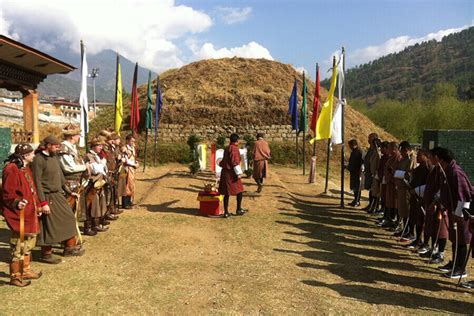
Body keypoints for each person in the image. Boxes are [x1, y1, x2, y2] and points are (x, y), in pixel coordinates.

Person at [32, 135, 85, 264]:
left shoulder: (54, 157)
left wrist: (70, 192)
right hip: (47, 196)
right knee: (48, 225)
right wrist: (43, 203)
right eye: (55, 146)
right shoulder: (39, 160)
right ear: (48, 145)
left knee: (69, 218)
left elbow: (61, 178)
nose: (57, 148)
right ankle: (46, 254)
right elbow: (37, 182)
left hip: (58, 195)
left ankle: (69, 248)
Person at [2, 143, 42, 287]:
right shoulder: (11, 169)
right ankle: (15, 276)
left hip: (30, 212)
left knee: (29, 242)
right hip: (19, 214)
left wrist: (37, 205)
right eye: (32, 153)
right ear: (25, 155)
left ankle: (25, 270)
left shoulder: (25, 168)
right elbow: (8, 194)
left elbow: (32, 189)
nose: (34, 156)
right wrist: (16, 202)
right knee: (18, 245)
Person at [435, 148, 473, 278]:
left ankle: (461, 268)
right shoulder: (447, 171)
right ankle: (454, 263)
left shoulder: (456, 173)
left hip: (461, 212)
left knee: (461, 239)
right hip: (453, 211)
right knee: (455, 238)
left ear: (441, 159)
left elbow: (464, 195)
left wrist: (458, 214)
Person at [57, 124, 92, 235]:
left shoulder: (72, 147)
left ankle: (71, 238)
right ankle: (67, 240)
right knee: (68, 212)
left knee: (74, 211)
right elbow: (68, 167)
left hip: (76, 183)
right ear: (72, 136)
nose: (79, 137)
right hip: (68, 184)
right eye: (78, 135)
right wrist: (84, 167)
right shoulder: (64, 148)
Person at [84, 137, 109, 233]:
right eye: (99, 145)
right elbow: (95, 169)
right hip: (92, 184)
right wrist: (102, 164)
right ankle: (89, 227)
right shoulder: (89, 156)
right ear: (94, 146)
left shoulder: (97, 156)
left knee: (98, 203)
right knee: (91, 205)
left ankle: (96, 224)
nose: (101, 148)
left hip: (99, 182)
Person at [218, 133, 247, 218]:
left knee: (226, 193)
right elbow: (234, 162)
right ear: (237, 141)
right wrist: (238, 173)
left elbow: (224, 160)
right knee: (240, 190)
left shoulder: (227, 148)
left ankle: (226, 212)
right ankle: (238, 209)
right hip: (231, 173)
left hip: (225, 172)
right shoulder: (234, 149)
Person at [102, 131, 123, 218]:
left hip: (113, 171)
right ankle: (107, 212)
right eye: (110, 139)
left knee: (112, 192)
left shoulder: (111, 148)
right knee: (108, 193)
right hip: (108, 172)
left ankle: (111, 209)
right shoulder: (105, 148)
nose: (112, 141)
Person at [118, 134, 138, 209]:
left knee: (131, 185)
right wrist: (133, 164)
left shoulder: (133, 148)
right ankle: (125, 203)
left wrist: (136, 163)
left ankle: (130, 201)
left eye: (133, 141)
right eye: (131, 140)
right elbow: (125, 159)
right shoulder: (125, 148)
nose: (133, 142)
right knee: (126, 185)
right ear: (128, 140)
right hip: (126, 168)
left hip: (132, 168)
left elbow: (134, 158)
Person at [346, 139, 364, 207]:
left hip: (358, 172)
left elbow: (362, 162)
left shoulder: (359, 151)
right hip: (353, 172)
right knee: (354, 187)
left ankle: (357, 201)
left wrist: (361, 171)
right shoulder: (354, 151)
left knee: (357, 187)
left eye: (350, 145)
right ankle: (355, 199)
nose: (349, 147)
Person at [363, 133, 378, 210]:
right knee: (370, 189)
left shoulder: (377, 150)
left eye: (370, 138)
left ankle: (374, 206)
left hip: (374, 173)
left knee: (374, 190)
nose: (368, 140)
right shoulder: (370, 149)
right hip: (368, 172)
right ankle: (370, 204)